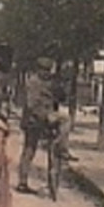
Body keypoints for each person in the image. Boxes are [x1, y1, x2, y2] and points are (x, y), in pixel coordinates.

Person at [16, 57, 72, 195]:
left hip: (43, 117)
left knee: (41, 150)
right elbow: (31, 104)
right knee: (29, 149)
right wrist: (45, 115)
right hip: (34, 120)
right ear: (38, 69)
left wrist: (60, 87)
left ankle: (59, 150)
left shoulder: (49, 82)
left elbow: (61, 97)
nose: (46, 73)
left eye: (48, 70)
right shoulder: (33, 82)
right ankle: (22, 182)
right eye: (44, 70)